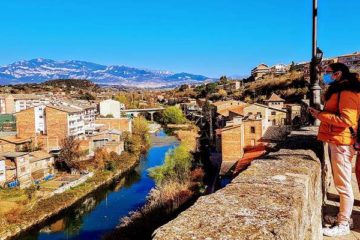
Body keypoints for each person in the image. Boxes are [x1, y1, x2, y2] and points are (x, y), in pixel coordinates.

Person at [309, 62, 360, 237]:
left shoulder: (346, 91)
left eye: (328, 72)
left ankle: (344, 223)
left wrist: (320, 116)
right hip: (337, 140)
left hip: (342, 142)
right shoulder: (340, 89)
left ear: (338, 74)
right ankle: (344, 217)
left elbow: (347, 119)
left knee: (343, 185)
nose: (325, 75)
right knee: (342, 183)